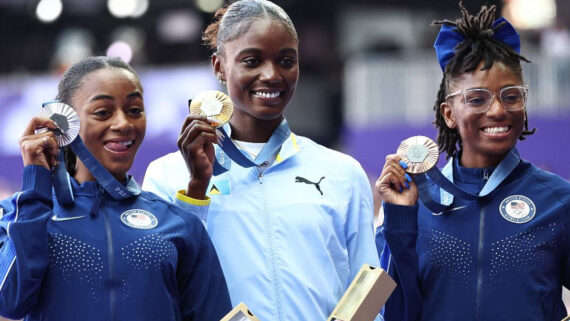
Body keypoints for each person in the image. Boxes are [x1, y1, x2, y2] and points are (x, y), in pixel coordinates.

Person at [142, 1, 380, 320]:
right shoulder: (168, 176)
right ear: (219, 67)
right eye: (252, 61)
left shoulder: (342, 172)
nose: (271, 75)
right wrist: (196, 194)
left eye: (286, 61)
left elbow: (369, 289)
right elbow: (163, 286)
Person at [376, 3, 570, 321]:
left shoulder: (558, 200)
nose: (497, 111)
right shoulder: (415, 203)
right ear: (449, 114)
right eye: (477, 99)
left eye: (511, 96)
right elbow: (396, 314)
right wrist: (399, 217)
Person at [0, 56, 231, 321]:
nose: (123, 124)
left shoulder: (180, 224)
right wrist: (35, 184)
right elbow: (9, 302)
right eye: (103, 112)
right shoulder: (20, 216)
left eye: (134, 110)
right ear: (64, 123)